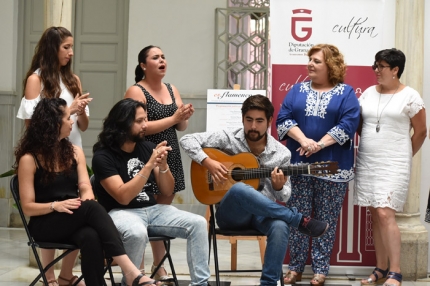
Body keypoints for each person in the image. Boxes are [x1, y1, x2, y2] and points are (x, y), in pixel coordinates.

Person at [180, 94, 329, 286]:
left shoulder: (281, 153)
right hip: (230, 215)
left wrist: (278, 186)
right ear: (242, 119)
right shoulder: (228, 138)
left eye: (259, 121)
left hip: (263, 216)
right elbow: (187, 140)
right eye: (249, 120)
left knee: (280, 226)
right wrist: (208, 162)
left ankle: (268, 283)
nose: (253, 126)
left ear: (269, 121)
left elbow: (285, 194)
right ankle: (298, 219)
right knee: (239, 189)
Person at [14, 97, 161, 286]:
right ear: (52, 124)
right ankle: (131, 271)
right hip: (45, 222)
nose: (72, 121)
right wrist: (55, 206)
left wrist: (87, 197)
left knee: (90, 235)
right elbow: (27, 207)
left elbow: (84, 185)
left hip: (73, 215)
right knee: (90, 209)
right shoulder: (29, 159)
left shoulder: (74, 151)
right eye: (68, 118)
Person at [91, 98, 210, 286]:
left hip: (153, 210)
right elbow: (122, 197)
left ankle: (201, 284)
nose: (145, 125)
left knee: (198, 223)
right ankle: (131, 281)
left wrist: (163, 166)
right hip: (120, 212)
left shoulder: (147, 147)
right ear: (122, 123)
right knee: (137, 233)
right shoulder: (102, 157)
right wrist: (148, 166)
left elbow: (167, 190)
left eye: (145, 119)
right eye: (139, 121)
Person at [276, 44, 360, 285]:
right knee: (297, 217)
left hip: (334, 168)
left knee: (326, 220)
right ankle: (295, 267)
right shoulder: (297, 90)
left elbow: (348, 124)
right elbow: (283, 118)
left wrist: (319, 145)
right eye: (310, 59)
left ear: (331, 66)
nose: (310, 64)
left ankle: (321, 268)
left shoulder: (346, 93)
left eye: (316, 61)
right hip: (299, 166)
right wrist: (304, 140)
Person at [16, 26, 92, 286]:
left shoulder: (73, 80)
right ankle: (48, 275)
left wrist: (80, 111)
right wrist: (69, 109)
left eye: (72, 47)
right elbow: (32, 125)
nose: (71, 52)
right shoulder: (36, 80)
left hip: (71, 151)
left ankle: (67, 275)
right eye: (65, 47)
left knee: (76, 206)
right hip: (46, 154)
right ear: (52, 49)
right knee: (52, 206)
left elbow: (83, 125)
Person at [354, 48, 426, 286]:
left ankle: (396, 271)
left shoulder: (411, 96)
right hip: (368, 159)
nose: (376, 70)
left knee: (386, 213)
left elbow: (422, 131)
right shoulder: (367, 93)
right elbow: (360, 124)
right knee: (375, 214)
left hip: (394, 162)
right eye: (375, 65)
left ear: (395, 70)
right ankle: (381, 268)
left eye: (381, 66)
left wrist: (406, 154)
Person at [124, 45, 193, 281]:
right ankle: (138, 269)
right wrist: (173, 118)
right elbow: (138, 127)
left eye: (163, 56)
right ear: (144, 65)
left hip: (168, 153)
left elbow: (179, 127)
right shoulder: (136, 90)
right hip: (143, 153)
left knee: (162, 213)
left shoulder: (171, 89)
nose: (162, 60)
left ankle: (160, 265)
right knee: (142, 211)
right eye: (155, 57)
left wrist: (182, 117)